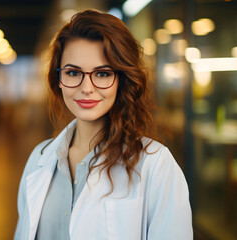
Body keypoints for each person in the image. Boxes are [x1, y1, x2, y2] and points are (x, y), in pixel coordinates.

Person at [15, 9, 193, 240]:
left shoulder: (155, 165)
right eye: (72, 72)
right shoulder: (38, 160)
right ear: (58, 80)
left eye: (102, 74)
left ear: (121, 79)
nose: (86, 87)